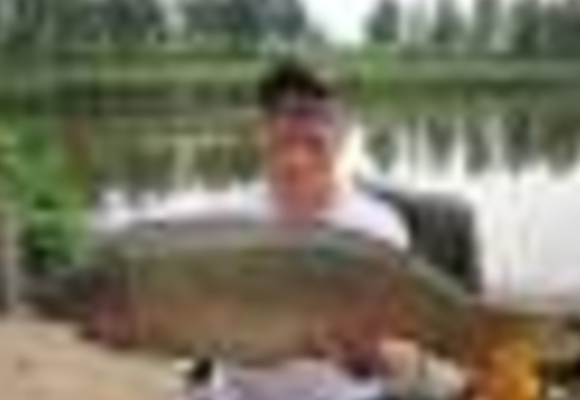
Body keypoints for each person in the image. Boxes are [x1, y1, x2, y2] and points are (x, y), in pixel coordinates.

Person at [174, 60, 413, 400]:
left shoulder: (378, 228)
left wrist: (371, 357)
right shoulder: (223, 220)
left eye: (313, 115)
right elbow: (193, 335)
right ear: (260, 131)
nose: (295, 128)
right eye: (279, 114)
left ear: (342, 131)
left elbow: (403, 359)